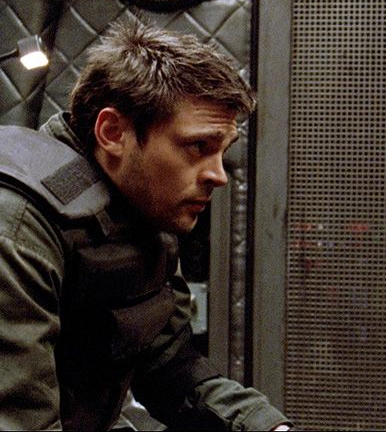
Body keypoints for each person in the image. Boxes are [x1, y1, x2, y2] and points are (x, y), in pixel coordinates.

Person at [0, 21, 293, 430]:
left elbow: (169, 368)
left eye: (222, 151)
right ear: (113, 133)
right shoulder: (17, 227)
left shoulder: (140, 211)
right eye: (198, 146)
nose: (219, 175)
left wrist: (269, 427)